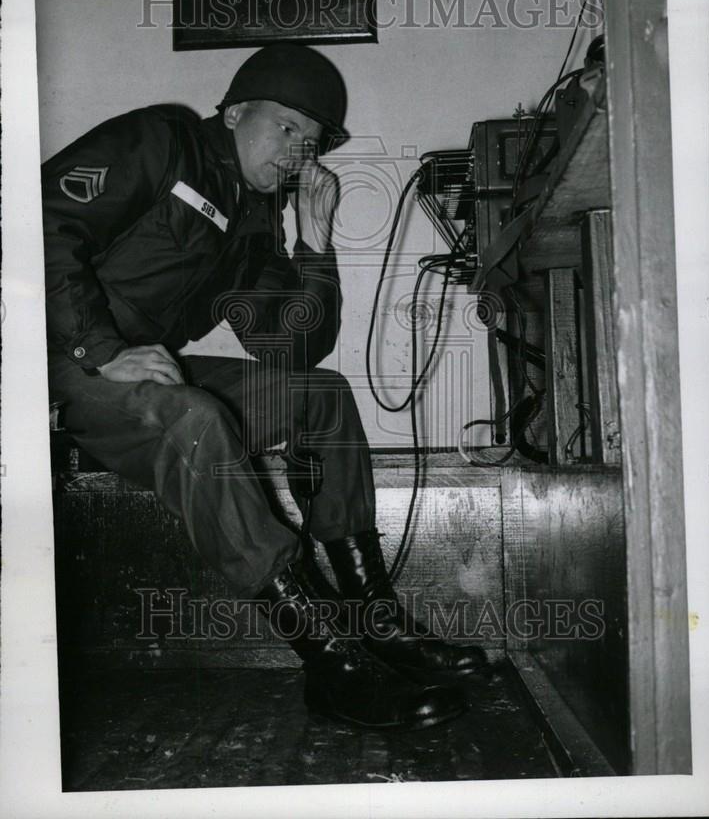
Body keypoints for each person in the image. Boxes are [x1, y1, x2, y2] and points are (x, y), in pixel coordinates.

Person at [42, 43, 487, 731]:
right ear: (236, 111)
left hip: (147, 371)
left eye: (309, 143)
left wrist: (315, 244)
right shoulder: (162, 139)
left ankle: (376, 624)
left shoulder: (256, 221)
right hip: (58, 361)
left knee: (323, 396)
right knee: (192, 418)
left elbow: (291, 345)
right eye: (286, 128)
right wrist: (100, 351)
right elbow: (38, 221)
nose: (297, 153)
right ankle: (329, 662)